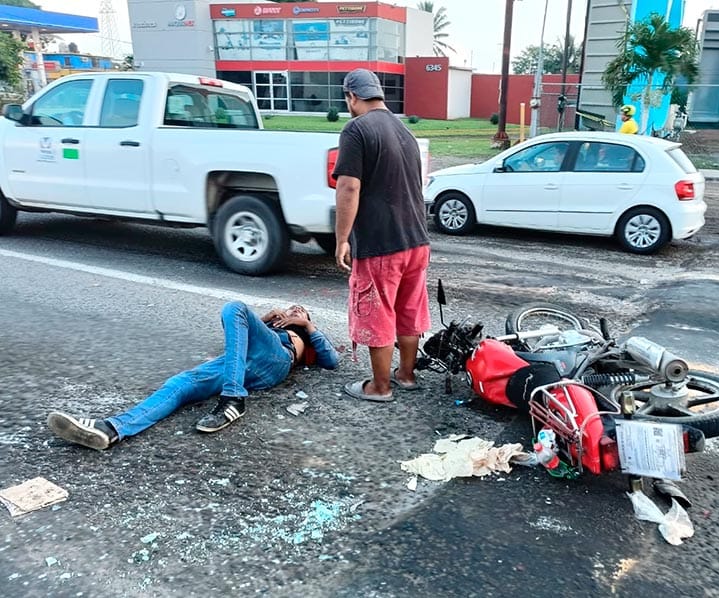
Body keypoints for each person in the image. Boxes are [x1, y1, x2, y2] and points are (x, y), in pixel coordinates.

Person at [47, 302, 339, 450]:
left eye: (302, 310)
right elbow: (235, 341)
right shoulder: (271, 325)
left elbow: (332, 361)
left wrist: (305, 325)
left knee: (235, 307)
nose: (294, 309)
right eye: (292, 308)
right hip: (240, 368)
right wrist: (264, 320)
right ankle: (112, 429)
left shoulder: (302, 333)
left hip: (276, 359)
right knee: (181, 384)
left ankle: (233, 399)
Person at [332, 68, 431, 403]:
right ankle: (406, 375)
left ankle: (380, 387)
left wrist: (342, 238)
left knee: (378, 312)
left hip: (382, 243)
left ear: (351, 96)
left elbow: (349, 187)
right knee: (408, 309)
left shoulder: (357, 129)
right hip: (416, 240)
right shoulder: (405, 132)